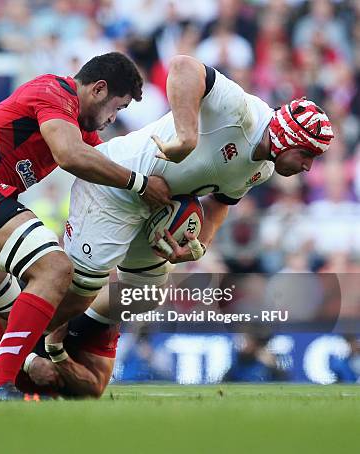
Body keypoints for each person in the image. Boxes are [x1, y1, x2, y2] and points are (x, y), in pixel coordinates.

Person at [0, 52, 169, 401]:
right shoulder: (54, 91)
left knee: (16, 318)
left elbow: (107, 166)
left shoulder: (77, 128)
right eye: (115, 108)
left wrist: (165, 204)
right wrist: (142, 184)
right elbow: (70, 155)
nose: (111, 119)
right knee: (55, 269)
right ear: (98, 89)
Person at [58, 54, 333, 326]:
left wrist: (199, 245)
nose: (308, 167)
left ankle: (72, 334)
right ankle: (34, 343)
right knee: (81, 285)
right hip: (118, 183)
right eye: (306, 155)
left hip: (156, 208)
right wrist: (186, 137)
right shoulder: (242, 111)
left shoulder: (264, 170)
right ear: (288, 138)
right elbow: (182, 66)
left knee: (145, 296)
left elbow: (220, 202)